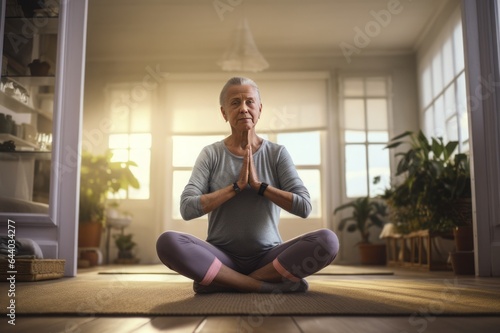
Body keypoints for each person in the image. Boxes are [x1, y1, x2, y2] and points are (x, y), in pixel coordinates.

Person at [156, 77, 339, 294]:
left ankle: (223, 281)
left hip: (268, 259)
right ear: (224, 113)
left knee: (328, 241)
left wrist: (260, 187)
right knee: (167, 242)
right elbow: (187, 208)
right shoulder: (210, 154)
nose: (243, 108)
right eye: (235, 103)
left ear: (259, 109)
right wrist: (236, 187)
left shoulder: (277, 154)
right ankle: (262, 286)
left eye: (249, 102)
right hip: (221, 256)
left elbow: (304, 206)